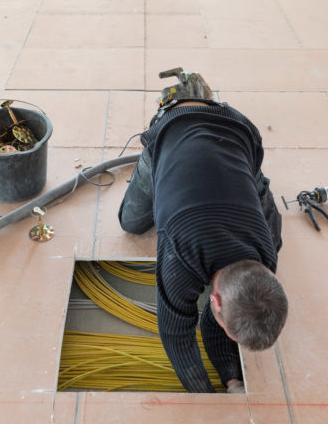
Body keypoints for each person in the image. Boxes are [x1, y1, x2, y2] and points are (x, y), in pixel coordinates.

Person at [118, 89, 288, 394]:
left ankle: (254, 183)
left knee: (264, 209)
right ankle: (183, 99)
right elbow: (176, 334)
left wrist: (231, 379)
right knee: (131, 223)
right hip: (171, 126)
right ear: (216, 299)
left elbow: (214, 322)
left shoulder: (266, 254)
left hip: (240, 130)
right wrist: (204, 395)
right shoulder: (180, 253)